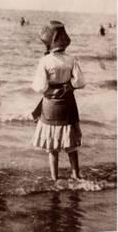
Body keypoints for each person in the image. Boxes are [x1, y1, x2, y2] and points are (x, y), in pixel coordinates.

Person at [31, 21, 86, 181]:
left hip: (51, 106)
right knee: (71, 145)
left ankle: (55, 178)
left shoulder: (45, 61)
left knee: (52, 148)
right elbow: (80, 82)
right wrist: (69, 85)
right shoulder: (71, 59)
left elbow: (40, 86)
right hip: (68, 104)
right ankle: (76, 174)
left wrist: (51, 89)